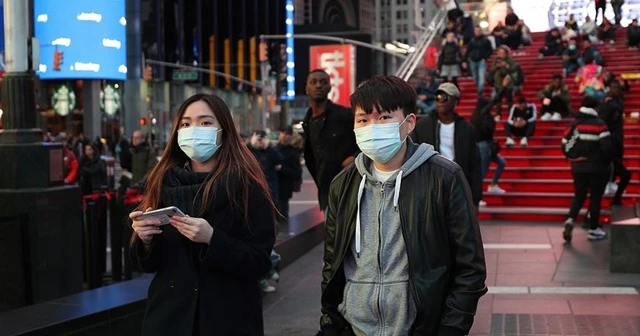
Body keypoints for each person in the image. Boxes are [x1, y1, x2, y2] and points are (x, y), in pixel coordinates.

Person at [319, 75, 486, 335]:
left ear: (409, 123)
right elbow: (332, 263)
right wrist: (330, 325)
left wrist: (451, 328)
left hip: (420, 328)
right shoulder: (343, 184)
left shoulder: (444, 178)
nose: (372, 127)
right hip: (354, 327)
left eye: (384, 118)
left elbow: (470, 267)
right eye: (363, 119)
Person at [128, 93, 277, 335]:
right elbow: (148, 264)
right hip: (169, 319)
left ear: (223, 129)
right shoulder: (163, 183)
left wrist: (212, 238)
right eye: (186, 124)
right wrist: (144, 240)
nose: (194, 130)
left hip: (228, 320)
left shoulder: (247, 187)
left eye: (206, 122)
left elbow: (260, 262)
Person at [412, 83, 482, 207]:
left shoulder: (467, 129)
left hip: (457, 186)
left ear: (456, 101)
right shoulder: (422, 126)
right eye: (438, 97)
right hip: (430, 188)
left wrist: (475, 200)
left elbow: (475, 165)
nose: (441, 101)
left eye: (445, 97)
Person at [303, 69, 359, 213]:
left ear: (330, 87)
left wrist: (354, 157)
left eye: (323, 82)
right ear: (306, 88)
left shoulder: (344, 115)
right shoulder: (308, 121)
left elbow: (366, 137)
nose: (318, 86)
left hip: (348, 190)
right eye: (313, 82)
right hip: (326, 193)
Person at [561, 96, 612, 242]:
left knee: (579, 195)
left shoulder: (574, 124)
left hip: (578, 167)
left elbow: (564, 144)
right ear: (595, 108)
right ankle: (594, 229)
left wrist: (575, 159)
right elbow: (607, 148)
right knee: (595, 198)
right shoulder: (599, 124)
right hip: (597, 168)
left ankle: (570, 219)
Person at [471, 97, 507, 201]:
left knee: (502, 163)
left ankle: (493, 185)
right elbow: (487, 130)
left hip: (484, 144)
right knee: (482, 172)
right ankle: (477, 197)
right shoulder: (482, 116)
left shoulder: (477, 115)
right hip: (484, 145)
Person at [276, 126, 303, 222]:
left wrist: (282, 169)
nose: (284, 136)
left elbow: (296, 173)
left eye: (287, 134)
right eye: (282, 133)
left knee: (282, 215)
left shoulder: (292, 152)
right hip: (272, 188)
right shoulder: (274, 149)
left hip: (284, 189)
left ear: (291, 136)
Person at [466, 26, 494, 96]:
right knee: (475, 77)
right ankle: (479, 89)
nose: (477, 32)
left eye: (478, 30)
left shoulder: (485, 40)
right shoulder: (471, 41)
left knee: (481, 76)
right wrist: (466, 59)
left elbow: (490, 50)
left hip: (482, 60)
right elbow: (468, 51)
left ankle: (480, 91)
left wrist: (485, 57)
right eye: (476, 31)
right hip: (473, 60)